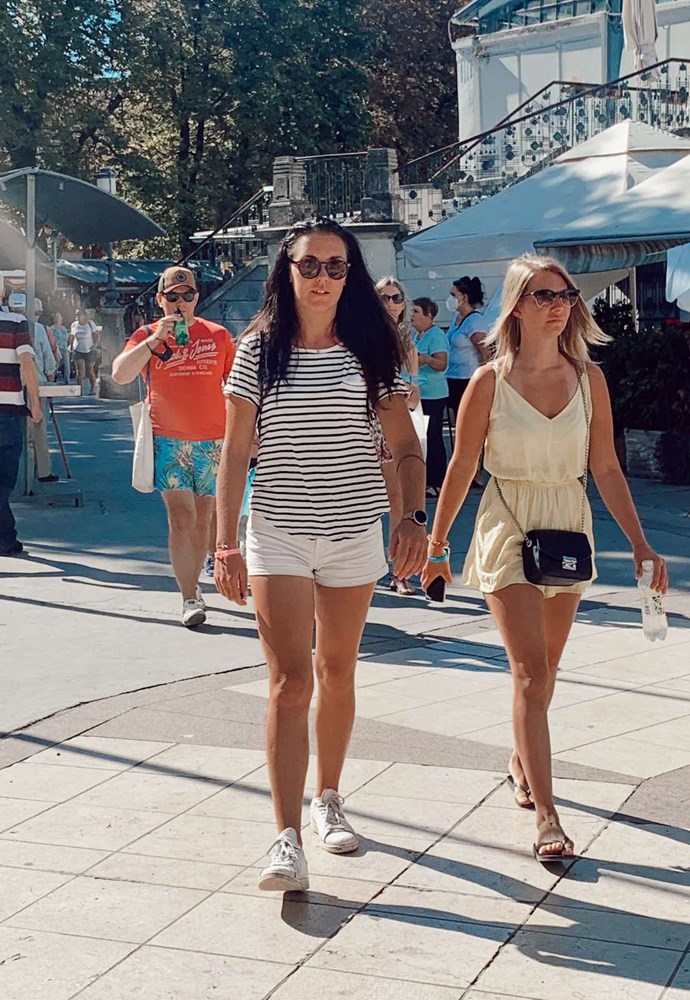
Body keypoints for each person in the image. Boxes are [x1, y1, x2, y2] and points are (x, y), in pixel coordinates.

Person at [421, 255, 668, 863]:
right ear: (516, 306)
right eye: (543, 296)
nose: (558, 306)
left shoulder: (589, 379)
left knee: (546, 672)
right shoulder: (489, 382)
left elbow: (605, 466)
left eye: (565, 296)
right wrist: (437, 547)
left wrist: (641, 545)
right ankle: (548, 816)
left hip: (567, 522)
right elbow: (462, 466)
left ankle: (520, 759)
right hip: (507, 520)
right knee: (531, 672)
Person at [213, 219, 426, 893]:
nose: (323, 277)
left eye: (336, 266)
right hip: (276, 530)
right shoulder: (259, 348)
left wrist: (412, 518)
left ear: (350, 274)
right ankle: (286, 839)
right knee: (289, 681)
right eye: (310, 265)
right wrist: (225, 543)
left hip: (352, 531)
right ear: (288, 270)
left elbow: (406, 446)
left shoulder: (371, 347)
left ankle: (328, 796)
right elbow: (234, 452)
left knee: (337, 670)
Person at [111, 266, 236, 628]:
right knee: (182, 517)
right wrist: (154, 341)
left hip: (213, 439)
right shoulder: (147, 334)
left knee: (204, 519)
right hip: (168, 438)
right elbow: (120, 374)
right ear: (160, 299)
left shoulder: (218, 335)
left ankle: (195, 577)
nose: (180, 303)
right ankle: (189, 595)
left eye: (188, 295)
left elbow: (235, 386)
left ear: (197, 296)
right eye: (172, 297)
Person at [376, 276, 419, 596]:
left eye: (396, 298)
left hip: (397, 423)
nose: (391, 304)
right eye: (384, 298)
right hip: (369, 424)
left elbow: (415, 388)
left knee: (398, 498)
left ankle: (397, 571)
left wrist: (410, 391)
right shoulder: (367, 336)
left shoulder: (406, 339)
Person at [0, 279, 43, 555]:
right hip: (8, 412)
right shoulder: (16, 322)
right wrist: (35, 403)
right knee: (4, 481)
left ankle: (7, 538)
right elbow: (26, 361)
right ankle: (6, 538)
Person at [9, 293, 57, 484]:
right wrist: (50, 383)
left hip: (10, 387)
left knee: (11, 433)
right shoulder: (38, 329)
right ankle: (43, 471)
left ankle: (17, 474)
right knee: (38, 431)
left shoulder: (6, 325)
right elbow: (49, 362)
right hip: (36, 385)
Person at [446, 275, 488, 488]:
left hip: (469, 379)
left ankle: (476, 472)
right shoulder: (456, 318)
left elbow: (484, 352)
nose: (450, 298)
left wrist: (485, 379)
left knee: (472, 426)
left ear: (463, 296)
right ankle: (464, 468)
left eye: (453, 294)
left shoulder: (474, 321)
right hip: (453, 378)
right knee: (458, 426)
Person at [411, 297, 449, 497]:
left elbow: (442, 364)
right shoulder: (417, 336)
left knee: (433, 436)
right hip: (419, 394)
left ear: (429, 315)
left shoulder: (436, 336)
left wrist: (426, 359)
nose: (412, 316)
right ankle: (425, 479)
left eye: (416, 311)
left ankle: (438, 481)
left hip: (433, 394)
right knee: (421, 437)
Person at [69, 309, 100, 394]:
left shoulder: (90, 324)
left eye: (79, 315)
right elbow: (72, 336)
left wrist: (95, 345)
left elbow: (97, 335)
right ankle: (79, 390)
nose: (77, 317)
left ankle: (93, 387)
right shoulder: (74, 325)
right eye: (76, 315)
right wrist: (71, 347)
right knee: (80, 372)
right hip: (78, 349)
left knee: (90, 371)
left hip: (89, 349)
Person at [49, 312, 71, 383]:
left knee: (67, 366)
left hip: (64, 349)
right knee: (56, 365)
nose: (58, 319)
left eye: (59, 317)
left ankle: (67, 380)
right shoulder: (52, 329)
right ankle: (53, 380)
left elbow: (67, 338)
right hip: (56, 349)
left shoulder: (63, 328)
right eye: (56, 317)